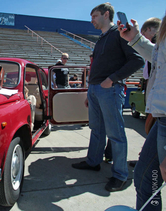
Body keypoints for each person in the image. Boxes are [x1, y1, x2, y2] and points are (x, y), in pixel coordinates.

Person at [71, 3, 144, 192]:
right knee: (96, 129)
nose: (91, 20)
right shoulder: (101, 38)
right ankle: (93, 161)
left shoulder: (119, 33)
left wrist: (112, 79)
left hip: (110, 89)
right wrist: (91, 91)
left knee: (115, 133)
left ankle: (120, 175)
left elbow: (138, 60)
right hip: (96, 90)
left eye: (94, 16)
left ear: (106, 14)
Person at [118, 14, 166, 211]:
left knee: (150, 178)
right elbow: (158, 57)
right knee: (146, 177)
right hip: (162, 118)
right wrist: (136, 39)